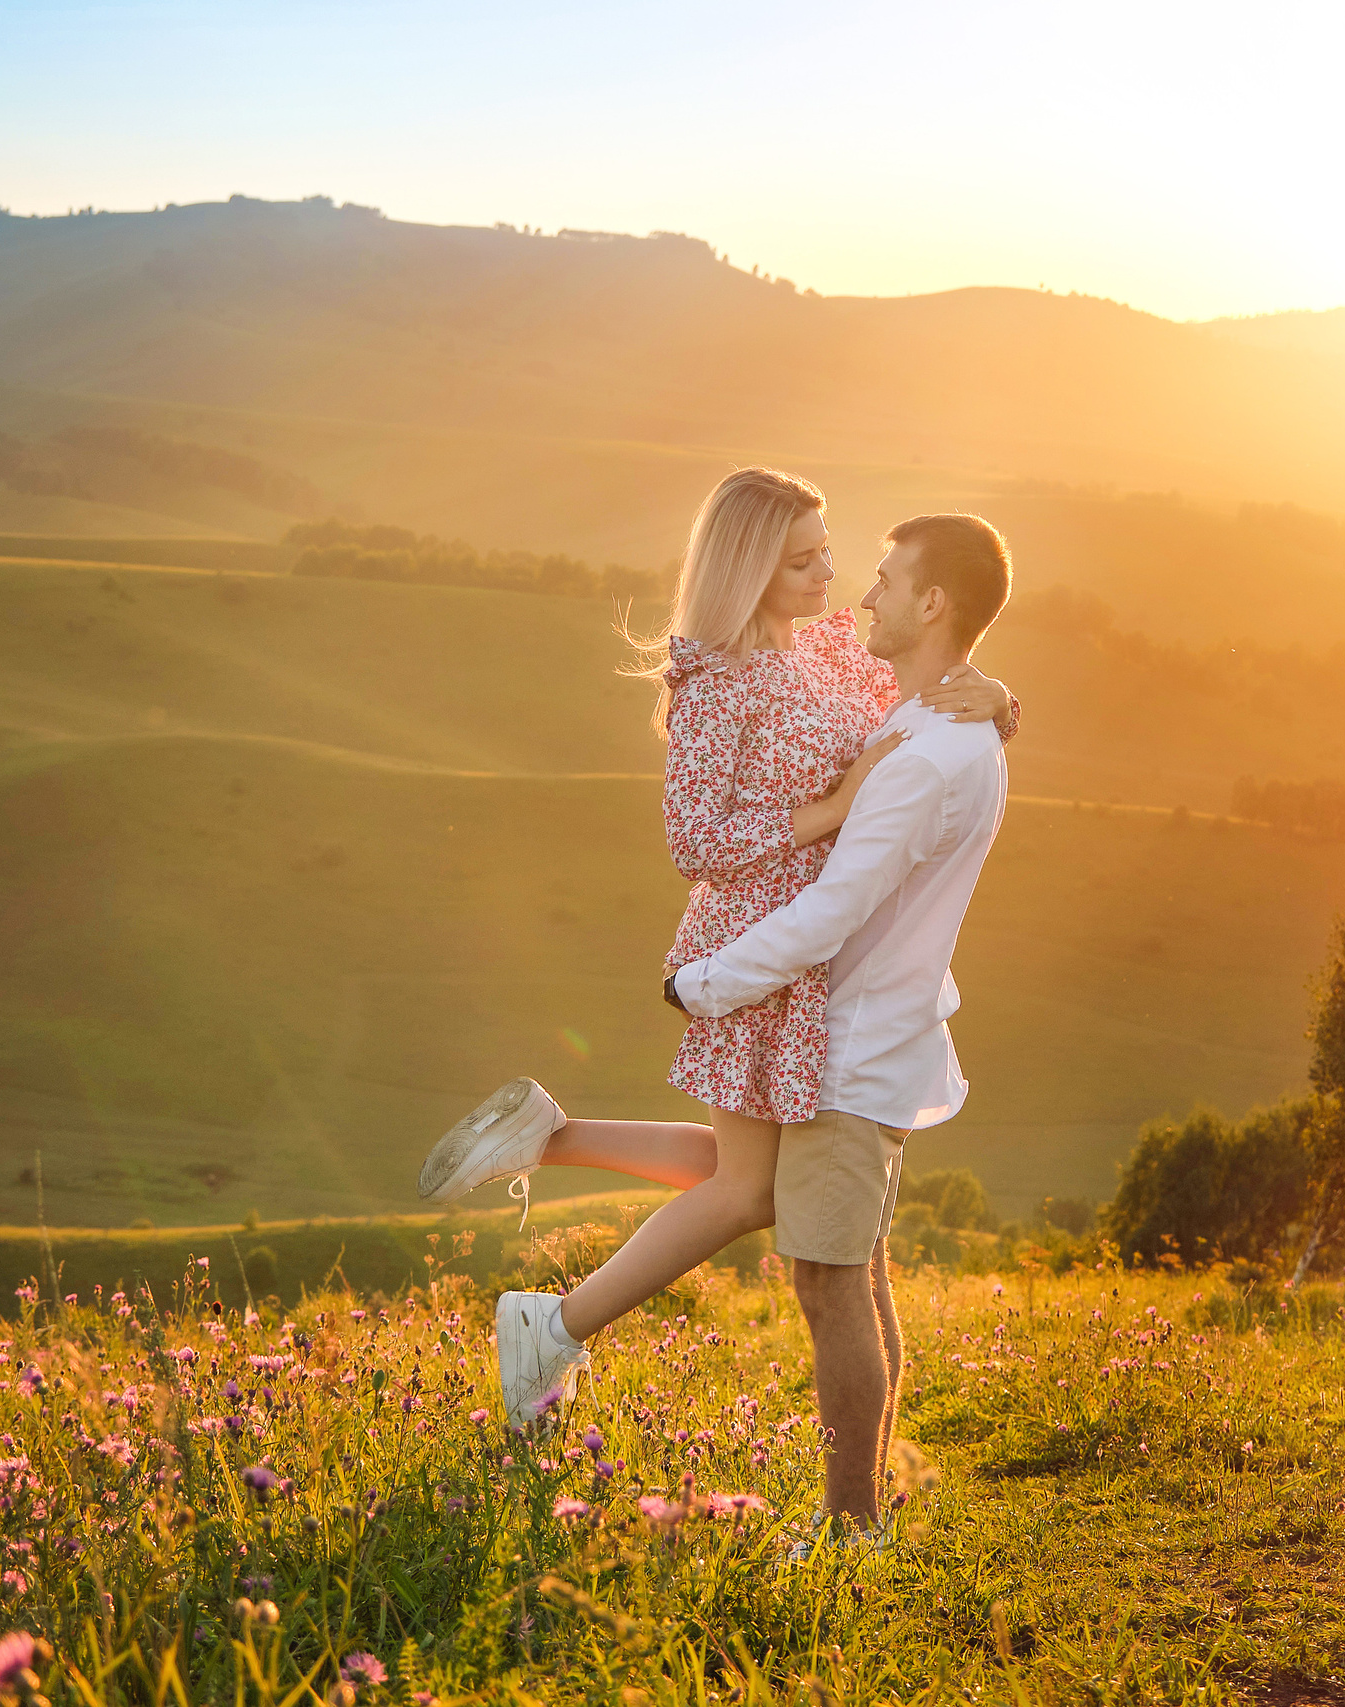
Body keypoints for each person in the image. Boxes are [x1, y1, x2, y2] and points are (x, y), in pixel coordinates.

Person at [413, 468, 1017, 1434]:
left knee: (770, 1177)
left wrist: (991, 693)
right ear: (749, 568)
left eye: (829, 551)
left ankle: (550, 1141)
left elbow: (916, 692)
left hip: (816, 943)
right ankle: (550, 1324)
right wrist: (830, 807)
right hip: (758, 941)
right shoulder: (712, 680)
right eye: (804, 559)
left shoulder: (828, 648)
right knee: (751, 1187)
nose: (832, 574)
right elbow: (694, 842)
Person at [664, 510, 1016, 1535]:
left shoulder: (920, 756)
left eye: (884, 579)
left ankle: (850, 1529)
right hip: (871, 1039)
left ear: (933, 603)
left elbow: (829, 912)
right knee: (852, 1273)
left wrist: (703, 985)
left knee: (828, 1284)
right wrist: (998, 699)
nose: (861, 595)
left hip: (852, 1044)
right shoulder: (930, 725)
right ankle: (867, 1510)